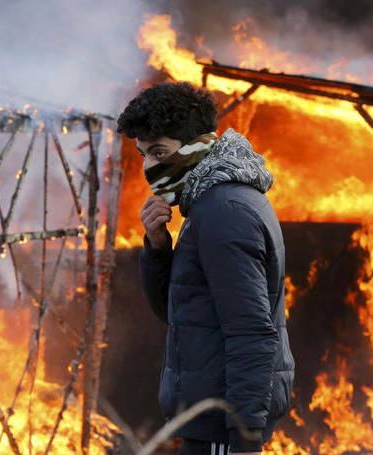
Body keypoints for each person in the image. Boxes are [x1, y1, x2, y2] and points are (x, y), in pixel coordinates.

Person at [117, 81, 294, 455]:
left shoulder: (223, 211)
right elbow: (177, 311)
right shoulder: (210, 203)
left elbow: (252, 333)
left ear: (198, 145)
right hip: (211, 424)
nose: (150, 166)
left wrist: (243, 441)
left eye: (160, 151)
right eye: (144, 154)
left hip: (222, 430)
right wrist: (158, 246)